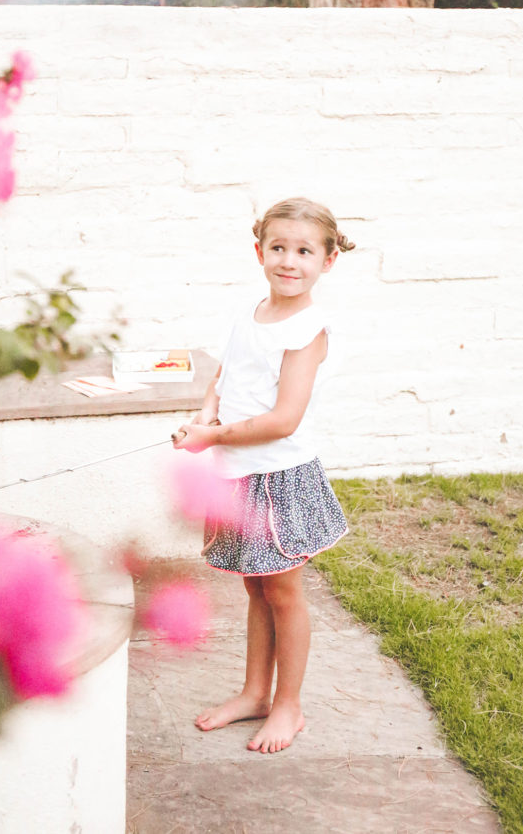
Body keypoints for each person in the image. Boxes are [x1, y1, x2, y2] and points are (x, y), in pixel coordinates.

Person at [172, 197, 354, 754]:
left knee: (284, 591)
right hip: (237, 471)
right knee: (256, 587)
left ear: (328, 261)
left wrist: (216, 437)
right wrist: (204, 418)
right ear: (259, 252)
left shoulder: (308, 329)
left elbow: (283, 419)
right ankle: (255, 693)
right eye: (278, 248)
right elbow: (223, 380)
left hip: (278, 476)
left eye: (304, 250)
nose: (289, 261)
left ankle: (288, 705)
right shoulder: (251, 313)